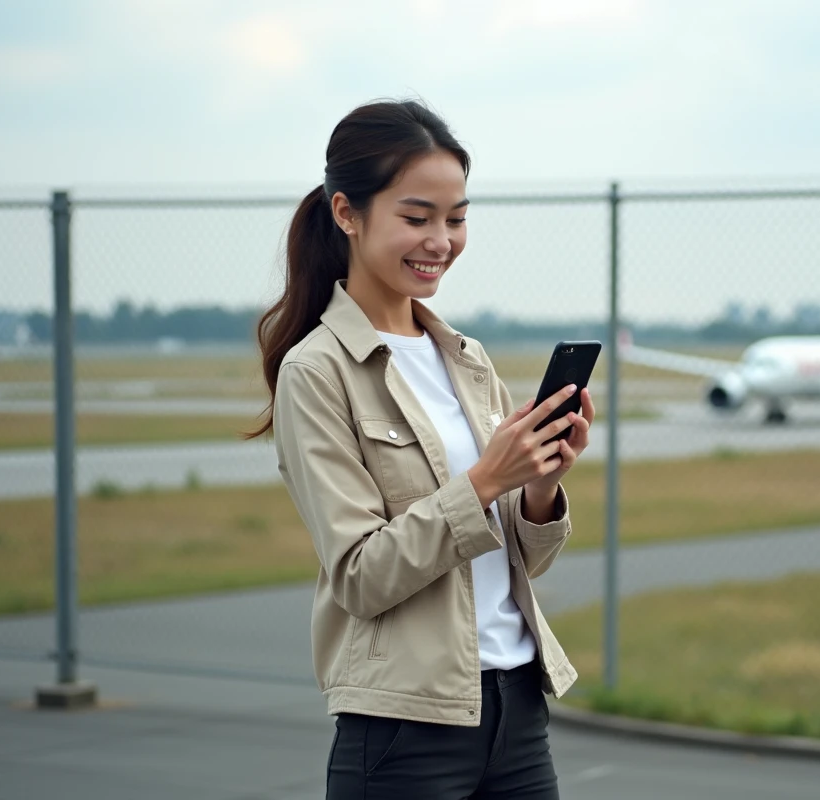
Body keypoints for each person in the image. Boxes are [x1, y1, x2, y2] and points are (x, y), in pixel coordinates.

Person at [248, 99, 590, 799]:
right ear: (347, 213)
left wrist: (538, 485)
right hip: (406, 725)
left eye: (456, 219)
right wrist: (485, 480)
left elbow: (519, 560)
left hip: (517, 708)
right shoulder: (317, 372)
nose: (440, 241)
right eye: (416, 217)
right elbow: (360, 575)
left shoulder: (466, 357)